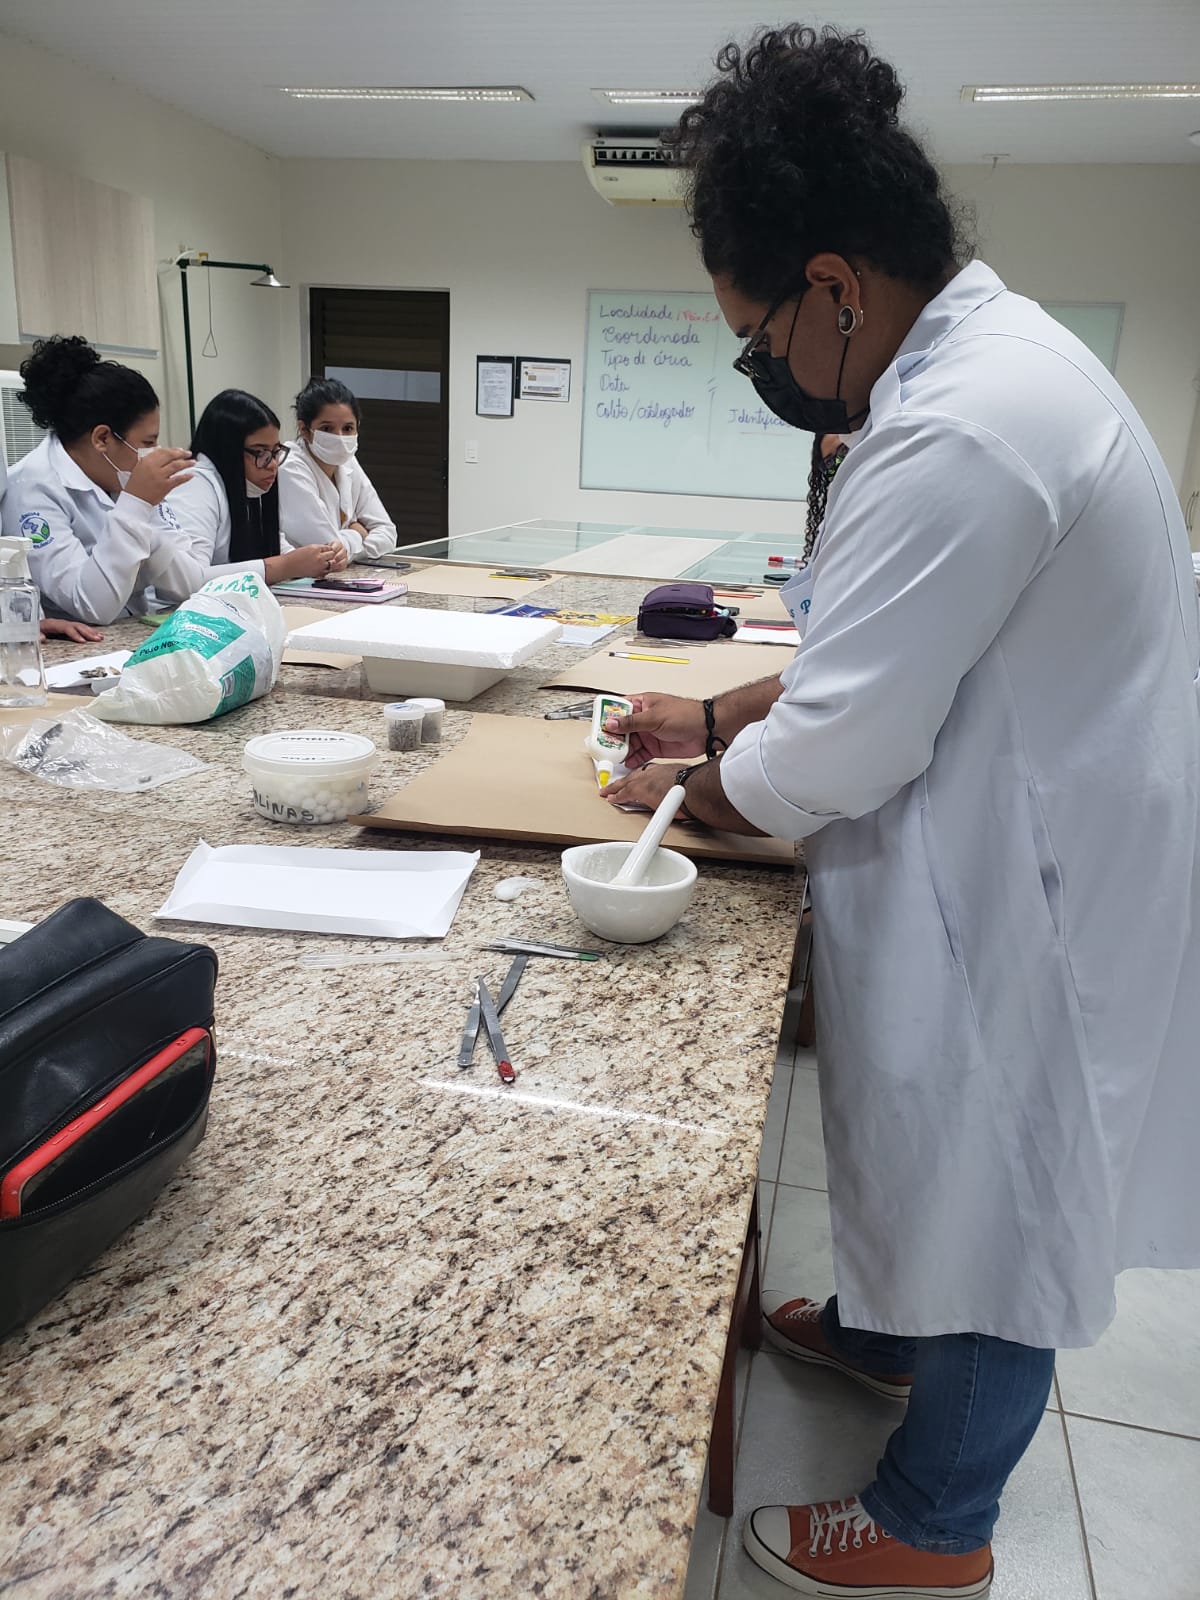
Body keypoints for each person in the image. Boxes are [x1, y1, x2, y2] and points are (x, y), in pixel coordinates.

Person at [604, 27, 1200, 1599]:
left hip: (1040, 897)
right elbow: (869, 651)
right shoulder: (977, 374)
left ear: (836, 287)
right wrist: (715, 717)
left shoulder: (962, 427)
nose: (765, 371)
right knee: (931, 1141)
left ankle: (938, 1525)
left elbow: (839, 749)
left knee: (1002, 1191)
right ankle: (882, 1329)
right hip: (1008, 841)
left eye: (758, 340)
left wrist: (688, 792)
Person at [1, 336, 196, 624]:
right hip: (83, 643)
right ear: (102, 438)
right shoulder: (31, 488)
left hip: (133, 629)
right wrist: (135, 507)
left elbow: (187, 584)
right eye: (147, 442)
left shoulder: (121, 478)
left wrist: (146, 525)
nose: (153, 452)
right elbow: (92, 606)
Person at [167, 389, 348, 588]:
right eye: (261, 452)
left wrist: (321, 558)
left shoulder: (251, 486)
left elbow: (275, 550)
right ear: (228, 449)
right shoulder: (195, 485)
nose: (272, 464)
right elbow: (188, 581)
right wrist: (286, 566)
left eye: (275, 451)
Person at [277, 376, 398, 561]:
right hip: (301, 575)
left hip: (340, 573)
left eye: (348, 428)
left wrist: (347, 545)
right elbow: (328, 549)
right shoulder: (290, 466)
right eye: (327, 428)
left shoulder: (347, 461)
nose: (339, 438)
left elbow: (388, 534)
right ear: (304, 430)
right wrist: (358, 533)